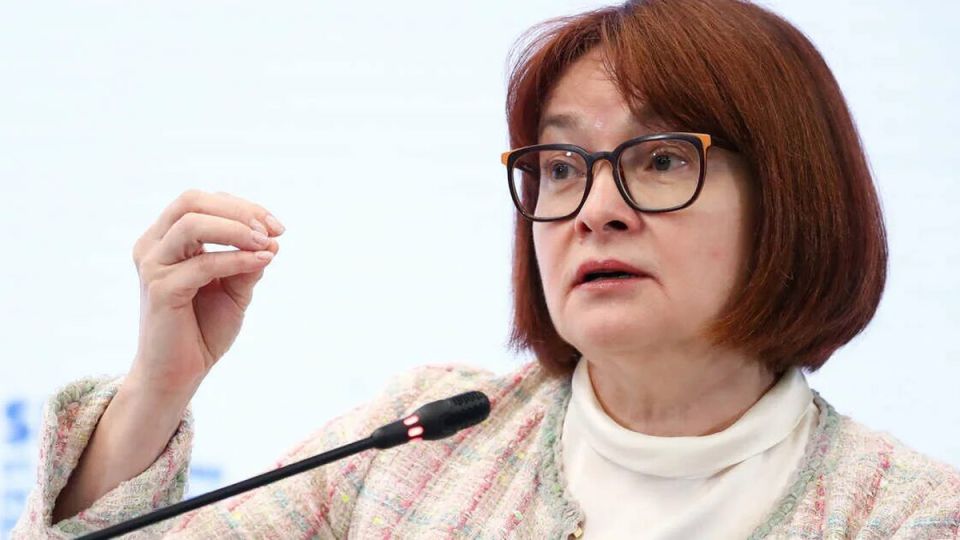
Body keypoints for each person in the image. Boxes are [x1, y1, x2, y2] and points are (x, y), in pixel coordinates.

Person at [14, 0, 960, 538]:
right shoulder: (421, 442)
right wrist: (157, 389)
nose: (595, 207)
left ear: (792, 194)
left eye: (662, 159)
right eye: (562, 166)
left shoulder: (909, 516)